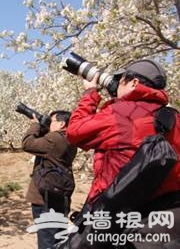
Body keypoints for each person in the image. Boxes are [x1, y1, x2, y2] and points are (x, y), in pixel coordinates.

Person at [65, 59, 180, 248]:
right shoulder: (174, 117)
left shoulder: (121, 113)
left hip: (120, 215)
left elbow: (74, 132)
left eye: (121, 80)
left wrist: (90, 94)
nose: (116, 83)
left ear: (134, 83)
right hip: (168, 220)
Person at [22, 110, 77, 249]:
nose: (49, 124)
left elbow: (27, 144)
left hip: (46, 198)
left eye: (51, 121)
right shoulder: (70, 140)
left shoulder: (54, 139)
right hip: (60, 194)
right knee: (58, 236)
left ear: (61, 123)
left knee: (46, 238)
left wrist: (36, 125)